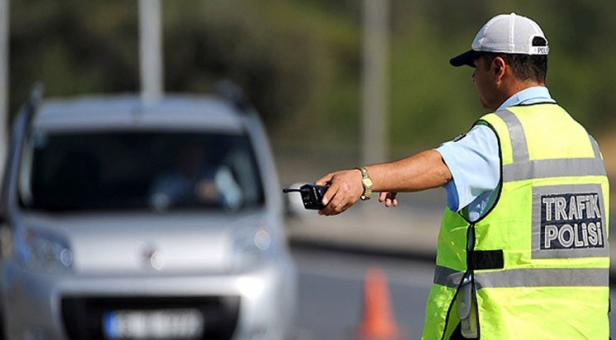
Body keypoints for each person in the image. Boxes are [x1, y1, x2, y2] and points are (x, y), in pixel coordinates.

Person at [315, 13, 610, 339]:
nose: (473, 79)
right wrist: (398, 180)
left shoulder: (501, 135)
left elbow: (440, 166)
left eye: (476, 67)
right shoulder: (584, 140)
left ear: (499, 68)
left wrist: (362, 179)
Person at [149, 142, 242, 211]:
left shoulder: (218, 176)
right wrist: (187, 195)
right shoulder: (167, 181)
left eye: (194, 154)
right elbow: (156, 204)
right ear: (178, 157)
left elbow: (236, 201)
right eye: (186, 154)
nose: (190, 159)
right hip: (174, 228)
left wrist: (216, 195)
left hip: (212, 228)